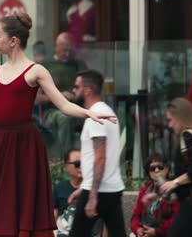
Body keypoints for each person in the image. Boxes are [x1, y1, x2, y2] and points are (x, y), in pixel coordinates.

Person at [0, 12, 115, 237]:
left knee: (24, 208)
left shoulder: (36, 71)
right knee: (1, 209)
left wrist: (89, 113)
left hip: (26, 147)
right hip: (1, 146)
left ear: (13, 41)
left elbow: (64, 105)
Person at [68, 69, 126, 237]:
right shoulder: (106, 111)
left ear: (87, 90)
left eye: (76, 87)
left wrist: (92, 195)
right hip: (111, 188)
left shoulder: (96, 115)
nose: (74, 90)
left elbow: (100, 157)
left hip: (99, 190)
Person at [35, 32, 87, 159]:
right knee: (65, 118)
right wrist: (59, 96)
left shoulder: (78, 65)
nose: (67, 54)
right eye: (64, 51)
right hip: (52, 111)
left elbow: (88, 88)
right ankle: (65, 161)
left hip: (77, 108)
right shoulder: (45, 66)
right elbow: (36, 98)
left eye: (70, 51)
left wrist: (77, 95)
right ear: (56, 47)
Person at [159, 98, 192, 236]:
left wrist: (174, 183)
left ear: (181, 117)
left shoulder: (188, 136)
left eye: (170, 120)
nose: (169, 125)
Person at [130, 152, 179, 237]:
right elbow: (136, 215)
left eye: (160, 167)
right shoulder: (144, 191)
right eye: (152, 168)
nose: (156, 170)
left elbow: (176, 219)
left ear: (167, 169)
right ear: (149, 172)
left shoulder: (173, 190)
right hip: (144, 230)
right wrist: (137, 229)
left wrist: (157, 232)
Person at [53, 149, 82, 222]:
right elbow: (53, 218)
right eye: (77, 163)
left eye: (85, 163)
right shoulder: (58, 189)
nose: (82, 167)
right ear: (66, 166)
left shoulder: (93, 189)